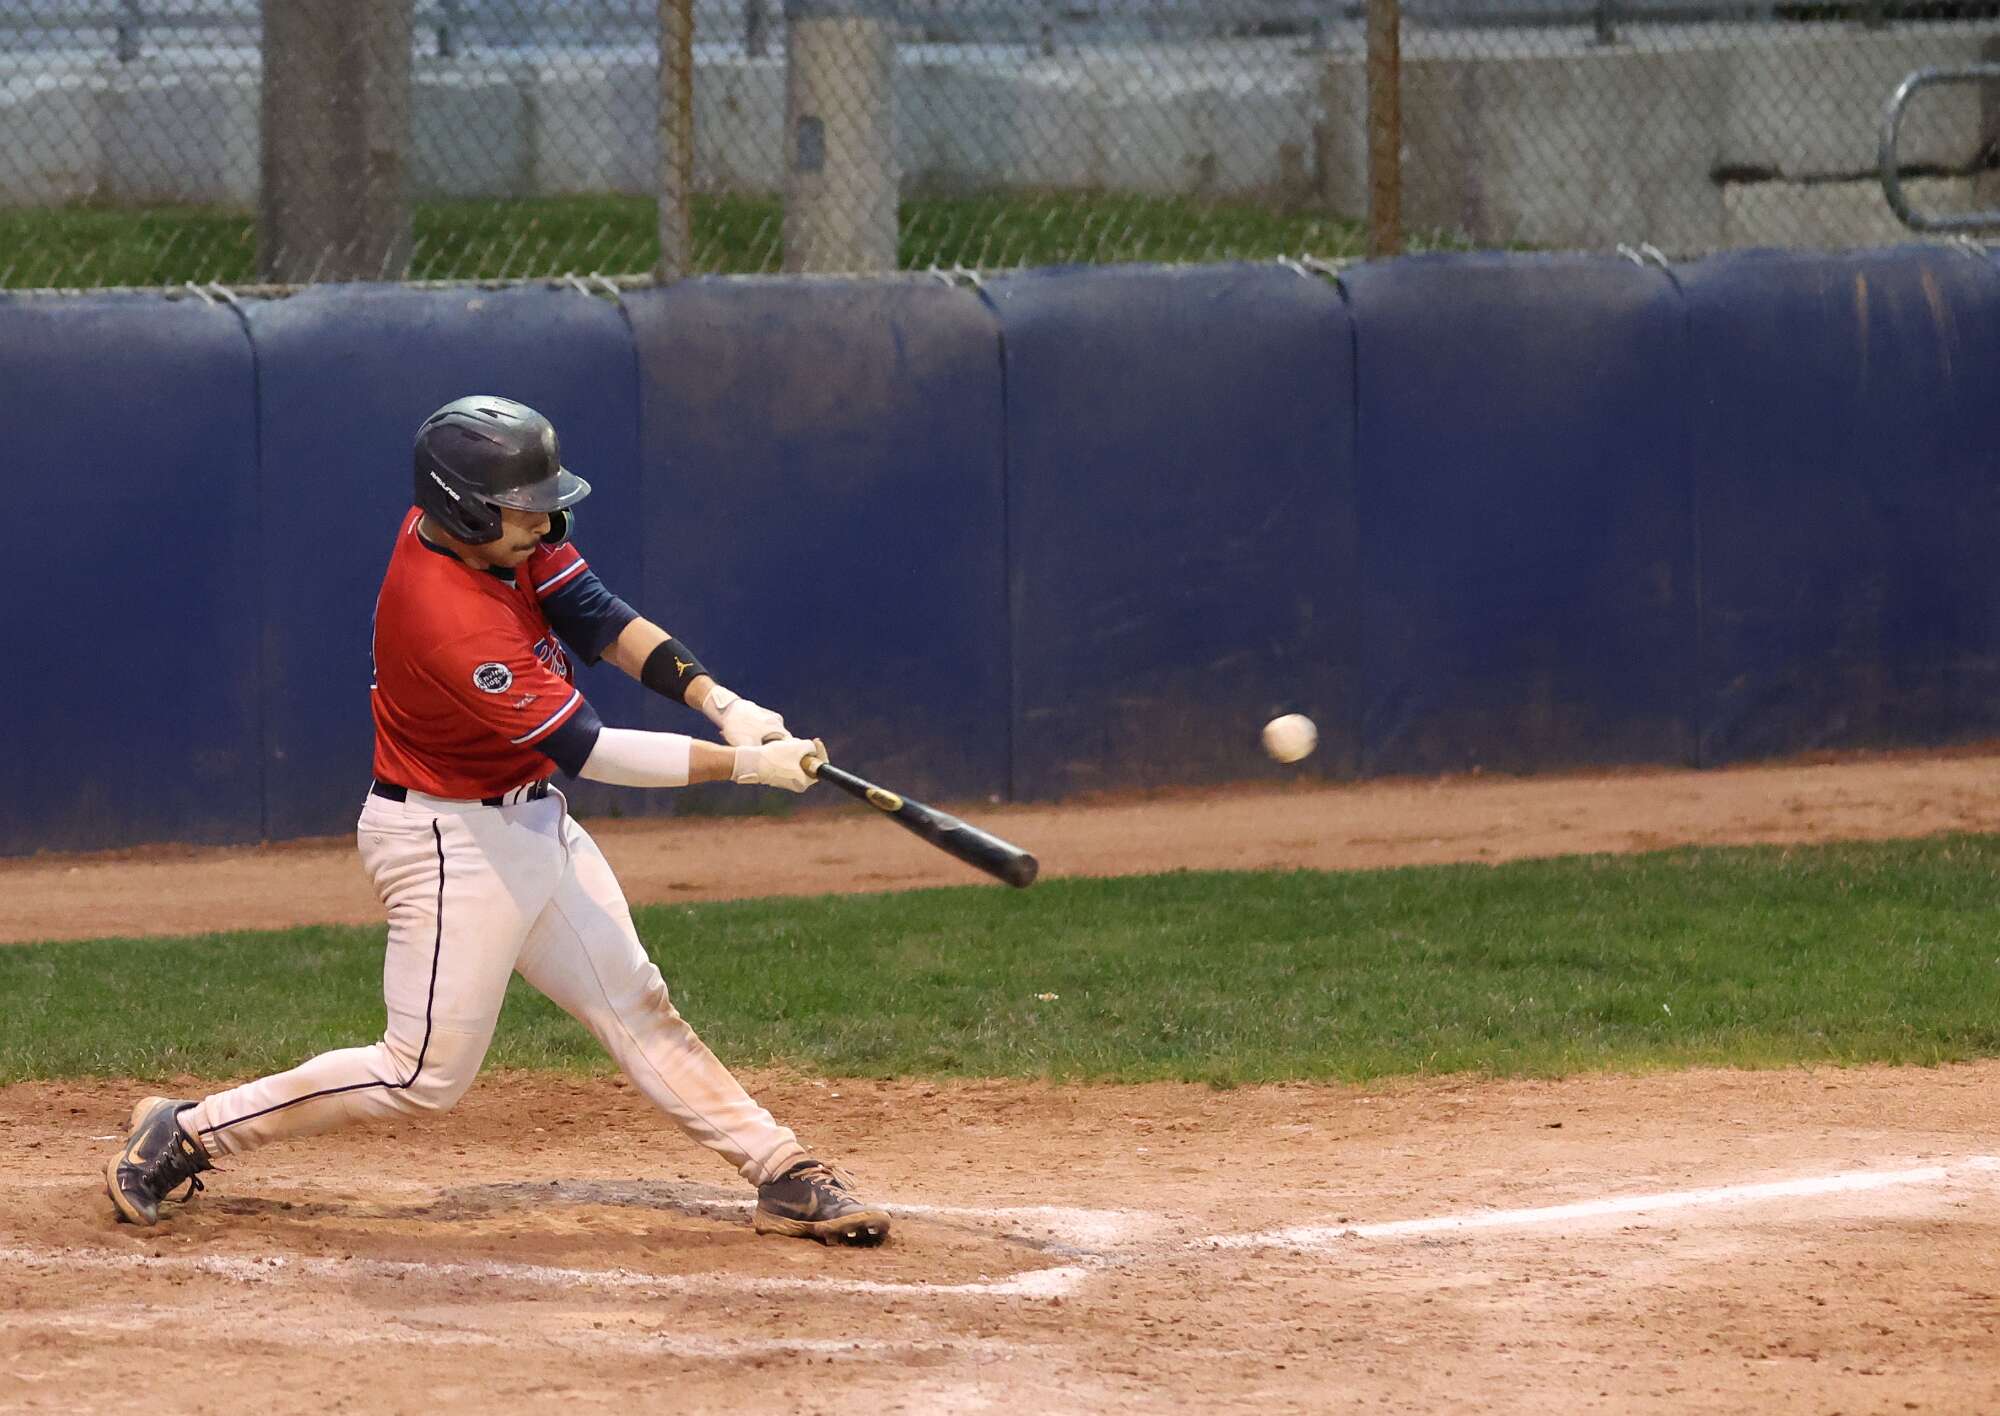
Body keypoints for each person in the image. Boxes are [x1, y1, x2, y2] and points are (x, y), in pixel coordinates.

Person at [103, 395, 890, 1247]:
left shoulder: (500, 542)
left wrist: (722, 702)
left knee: (636, 1003)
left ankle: (782, 1170)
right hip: (449, 843)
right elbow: (591, 750)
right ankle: (188, 1131)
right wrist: (743, 765)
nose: (545, 522)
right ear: (467, 508)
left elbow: (601, 617)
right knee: (421, 1074)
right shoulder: (448, 615)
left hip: (528, 823)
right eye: (524, 507)